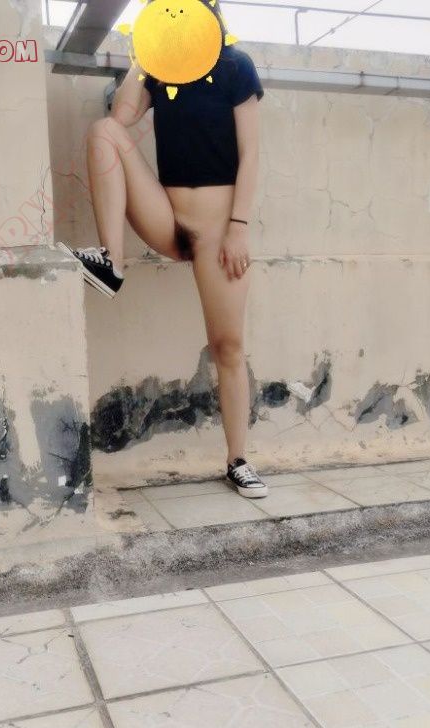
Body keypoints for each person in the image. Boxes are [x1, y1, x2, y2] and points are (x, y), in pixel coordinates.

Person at [58, 2, 268, 498]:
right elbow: (121, 118)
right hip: (168, 218)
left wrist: (238, 227)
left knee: (227, 346)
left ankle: (238, 460)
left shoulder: (235, 66)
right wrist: (145, 55)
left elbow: (251, 153)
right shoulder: (159, 69)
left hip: (218, 229)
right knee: (103, 132)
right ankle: (111, 263)